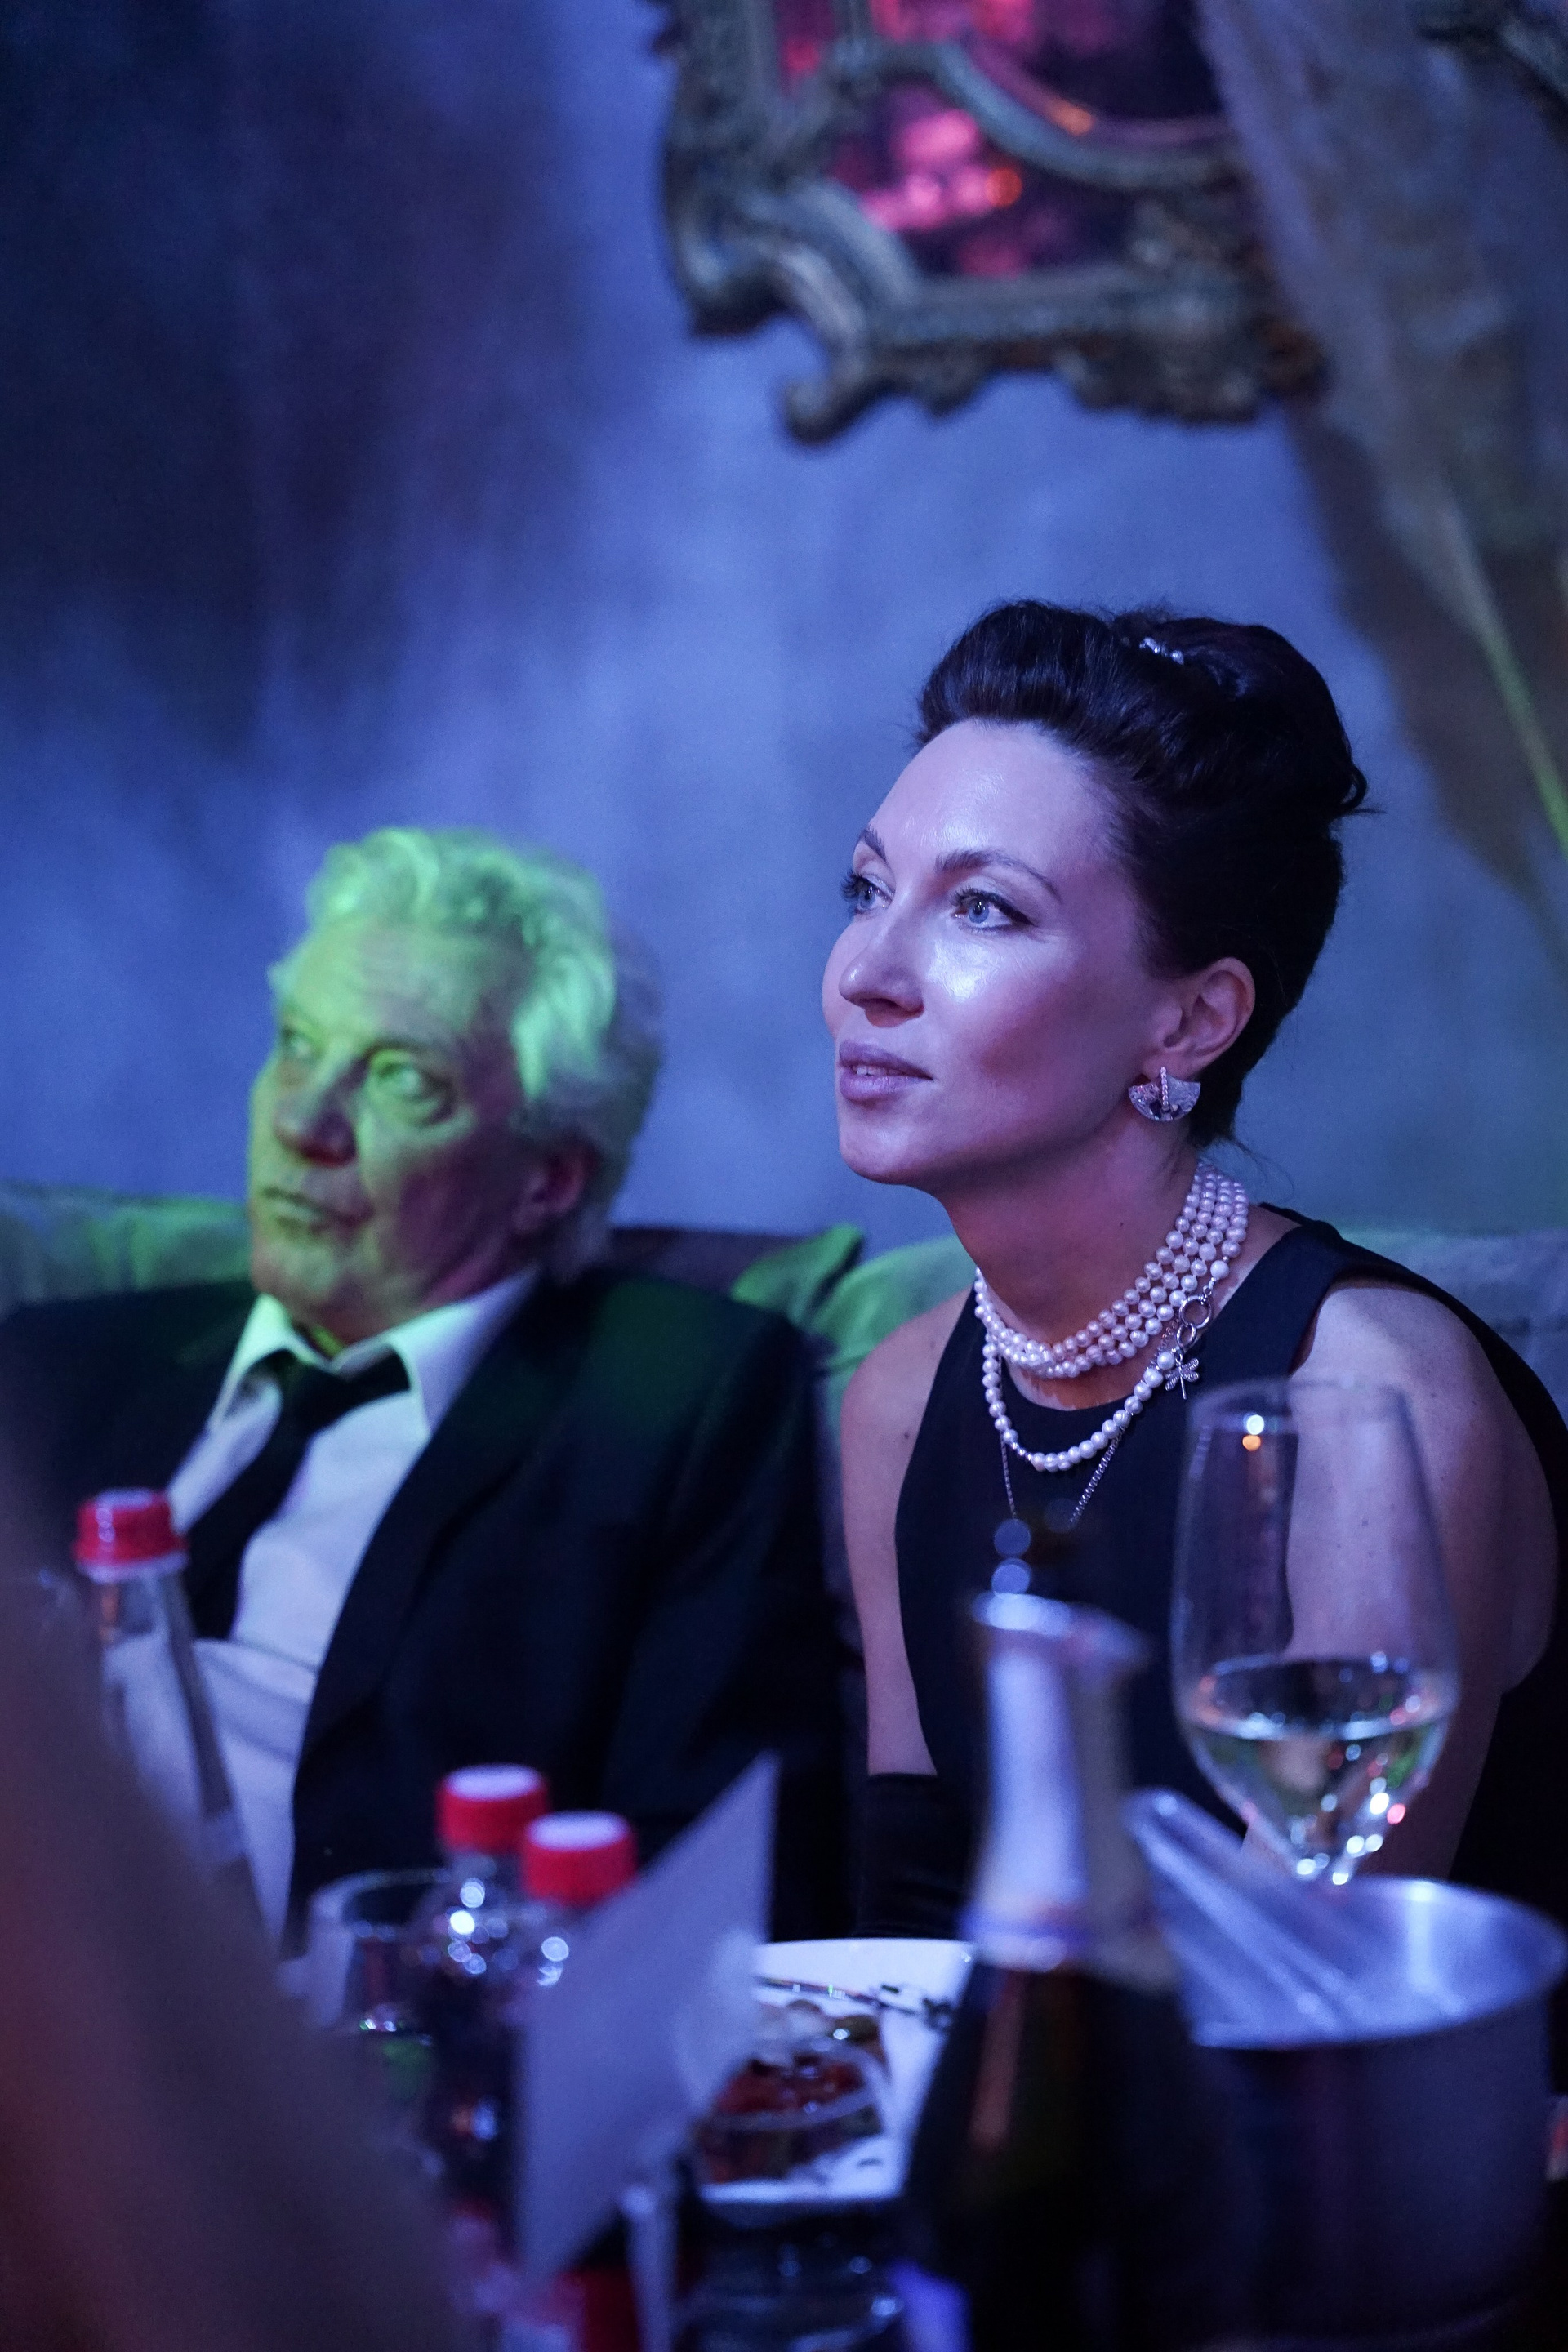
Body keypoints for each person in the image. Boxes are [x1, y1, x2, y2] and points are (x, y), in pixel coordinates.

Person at [826, 600, 1567, 1949]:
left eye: (983, 909)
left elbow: (1313, 1986)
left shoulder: (1373, 1405)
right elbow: (916, 1931)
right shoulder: (898, 1400)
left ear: (1190, 1020)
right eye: (868, 890)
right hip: (1048, 2081)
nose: (870, 973)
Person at [0, 826, 841, 1944]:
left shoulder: (683, 1393)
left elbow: (721, 1875)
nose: (303, 1123)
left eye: (402, 1080)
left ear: (550, 1178)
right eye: (297, 1047)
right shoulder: (54, 1363)